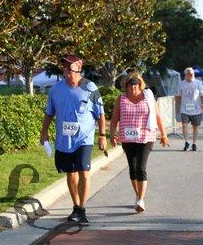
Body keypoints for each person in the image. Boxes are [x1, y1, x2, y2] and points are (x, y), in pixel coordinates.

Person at [40, 55, 106, 225]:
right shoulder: (56, 89)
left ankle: (82, 209)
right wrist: (44, 132)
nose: (66, 71)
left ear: (79, 69)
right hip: (65, 139)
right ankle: (76, 207)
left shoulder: (90, 87)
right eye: (65, 68)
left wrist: (102, 135)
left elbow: (100, 114)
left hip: (84, 138)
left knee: (84, 171)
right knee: (71, 172)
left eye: (70, 68)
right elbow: (49, 113)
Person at [110, 71, 169, 213]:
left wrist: (164, 134)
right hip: (127, 138)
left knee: (141, 167)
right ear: (126, 86)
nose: (133, 88)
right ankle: (138, 195)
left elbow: (158, 116)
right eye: (130, 86)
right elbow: (114, 119)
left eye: (135, 85)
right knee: (133, 168)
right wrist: (112, 135)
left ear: (140, 85)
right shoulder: (121, 99)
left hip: (145, 137)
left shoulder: (148, 97)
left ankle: (141, 200)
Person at [176, 67, 203, 151]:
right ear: (186, 75)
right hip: (184, 109)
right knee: (184, 125)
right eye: (189, 74)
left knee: (195, 127)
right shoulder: (181, 84)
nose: (191, 75)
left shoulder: (198, 83)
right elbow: (178, 96)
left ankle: (194, 143)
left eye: (192, 74)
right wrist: (177, 106)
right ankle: (186, 142)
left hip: (196, 109)